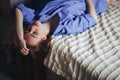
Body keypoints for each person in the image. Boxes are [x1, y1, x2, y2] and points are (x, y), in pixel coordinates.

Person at [14, 0, 110, 55]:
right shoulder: (67, 27)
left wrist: (20, 39)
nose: (32, 28)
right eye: (35, 33)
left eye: (27, 30)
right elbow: (93, 18)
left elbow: (18, 9)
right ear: (44, 38)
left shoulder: (35, 17)